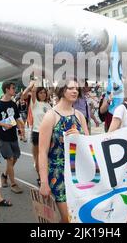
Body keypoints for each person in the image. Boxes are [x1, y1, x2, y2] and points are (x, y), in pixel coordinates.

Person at [38, 78, 89, 223]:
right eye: (71, 88)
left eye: (76, 89)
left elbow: (88, 144)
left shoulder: (79, 115)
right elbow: (42, 152)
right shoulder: (51, 116)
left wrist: (80, 137)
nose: (75, 91)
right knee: (68, 218)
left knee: (77, 218)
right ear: (61, 90)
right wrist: (44, 182)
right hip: (58, 173)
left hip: (78, 173)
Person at [0, 81, 25, 194]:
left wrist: (21, 129)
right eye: (13, 88)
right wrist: (3, 124)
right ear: (7, 89)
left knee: (15, 157)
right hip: (3, 137)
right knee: (10, 159)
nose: (14, 90)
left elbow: (16, 118)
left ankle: (4, 175)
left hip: (13, 135)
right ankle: (13, 183)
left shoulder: (13, 104)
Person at [21, 81, 52, 186]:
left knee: (48, 157)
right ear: (37, 94)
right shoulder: (34, 103)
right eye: (40, 93)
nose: (43, 94)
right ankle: (41, 178)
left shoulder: (48, 105)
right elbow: (24, 95)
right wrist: (30, 86)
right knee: (39, 157)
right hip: (37, 133)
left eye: (44, 92)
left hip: (49, 134)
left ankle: (47, 176)